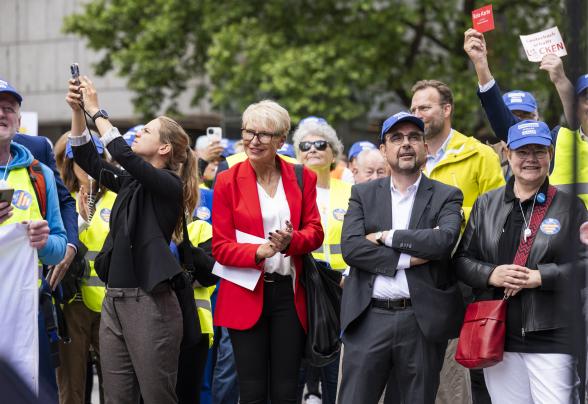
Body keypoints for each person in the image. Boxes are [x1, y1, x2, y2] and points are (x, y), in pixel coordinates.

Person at [66, 76, 199, 403]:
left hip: (150, 304)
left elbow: (124, 155)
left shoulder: (169, 184)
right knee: (116, 398)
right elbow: (87, 158)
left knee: (157, 396)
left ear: (164, 148)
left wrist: (97, 111)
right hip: (113, 301)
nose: (138, 132)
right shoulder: (130, 181)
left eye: (147, 131)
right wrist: (78, 111)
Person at [454, 120, 586, 403]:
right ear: (507, 154)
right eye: (523, 151)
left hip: (553, 334)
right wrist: (491, 274)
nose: (531, 159)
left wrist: (542, 277)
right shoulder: (486, 204)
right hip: (497, 335)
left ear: (550, 155)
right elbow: (462, 261)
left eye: (539, 151)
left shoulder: (570, 206)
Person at [338, 112, 464, 404]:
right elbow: (352, 249)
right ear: (384, 150)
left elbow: (442, 242)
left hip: (421, 322)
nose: (406, 143)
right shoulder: (362, 194)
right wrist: (407, 259)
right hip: (369, 318)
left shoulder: (447, 195)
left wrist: (386, 236)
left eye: (414, 137)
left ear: (425, 148)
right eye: (396, 138)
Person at [212, 100, 323, 404]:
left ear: (281, 141)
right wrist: (259, 251)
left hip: (289, 295)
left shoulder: (302, 177)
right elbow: (220, 247)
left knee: (286, 390)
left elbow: (315, 232)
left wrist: (291, 242)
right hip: (245, 293)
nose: (254, 140)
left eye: (263, 134)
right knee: (252, 391)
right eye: (248, 132)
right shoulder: (227, 180)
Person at [405, 79, 504, 404]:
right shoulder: (406, 156)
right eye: (413, 108)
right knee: (420, 370)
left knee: (469, 370)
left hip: (465, 277)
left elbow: (498, 213)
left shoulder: (479, 154)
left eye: (425, 107)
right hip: (416, 274)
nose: (417, 114)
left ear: (446, 109)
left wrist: (451, 217)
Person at [464, 29, 588, 207]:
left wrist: (560, 79)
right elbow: (507, 125)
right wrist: (481, 64)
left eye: (526, 115)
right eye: (587, 98)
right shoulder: (560, 140)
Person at [0, 79, 67, 395]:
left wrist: (43, 242)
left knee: (28, 392)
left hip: (25, 309)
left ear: (18, 119)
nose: (2, 114)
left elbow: (57, 248)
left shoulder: (40, 174)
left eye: (8, 108)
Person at [292, 116, 349, 404]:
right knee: (297, 364)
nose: (312, 149)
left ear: (333, 153)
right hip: (301, 286)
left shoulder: (350, 192)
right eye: (305, 145)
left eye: (320, 144)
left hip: (341, 288)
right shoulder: (290, 192)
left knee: (334, 366)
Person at [53, 132, 110, 404]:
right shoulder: (62, 198)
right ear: (69, 164)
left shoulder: (117, 197)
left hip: (111, 305)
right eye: (80, 160)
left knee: (117, 386)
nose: (87, 166)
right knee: (71, 387)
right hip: (72, 302)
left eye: (93, 159)